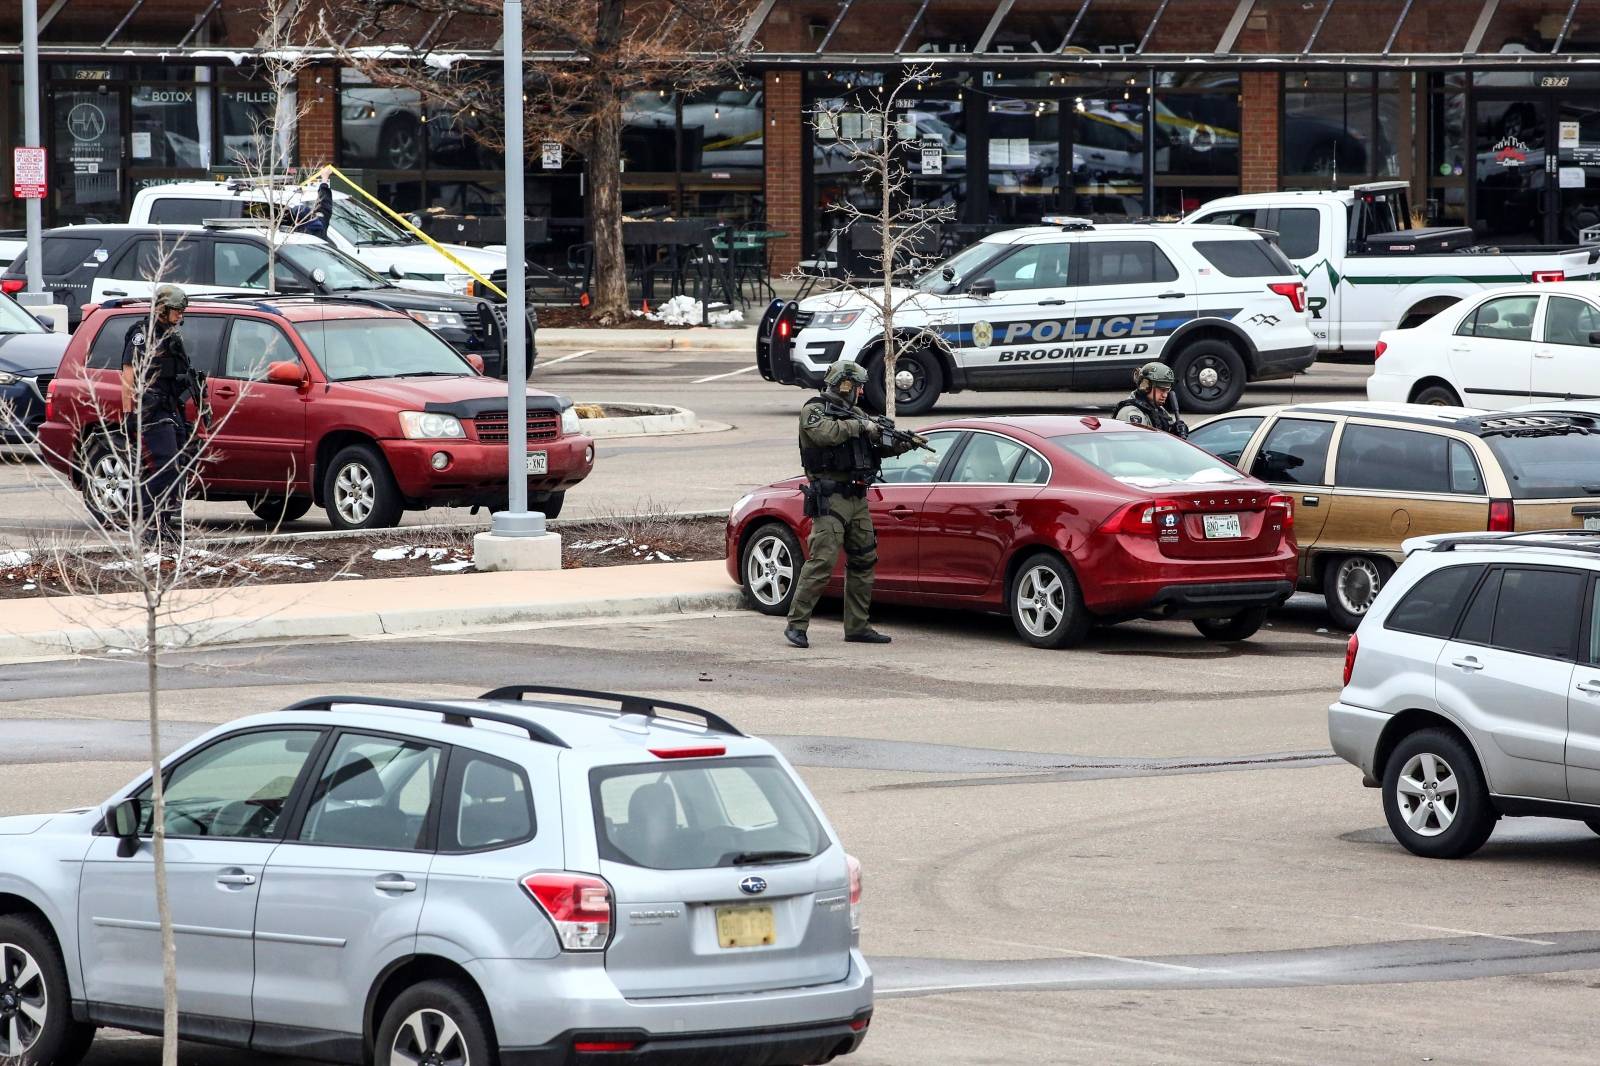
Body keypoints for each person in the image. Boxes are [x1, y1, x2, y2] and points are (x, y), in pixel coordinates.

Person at [784, 359, 916, 649]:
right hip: (830, 498)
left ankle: (857, 625)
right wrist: (861, 425)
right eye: (856, 386)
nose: (859, 392)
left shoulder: (855, 413)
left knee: (864, 559)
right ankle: (797, 624)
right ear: (845, 384)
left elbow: (875, 443)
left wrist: (899, 443)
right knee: (822, 562)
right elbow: (825, 434)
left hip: (857, 498)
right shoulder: (814, 410)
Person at [119, 284, 200, 543]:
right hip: (150, 410)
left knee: (179, 467)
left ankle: (162, 523)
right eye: (177, 311)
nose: (181, 316)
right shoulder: (142, 334)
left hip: (170, 408)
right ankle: (142, 519)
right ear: (163, 309)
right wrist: (129, 413)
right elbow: (128, 374)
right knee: (164, 464)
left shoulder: (172, 336)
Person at [1112, 361, 1189, 437]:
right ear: (1145, 386)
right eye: (1161, 390)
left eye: (1167, 390)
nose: (1165, 395)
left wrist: (1174, 434)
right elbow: (1134, 447)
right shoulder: (1131, 413)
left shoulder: (1158, 410)